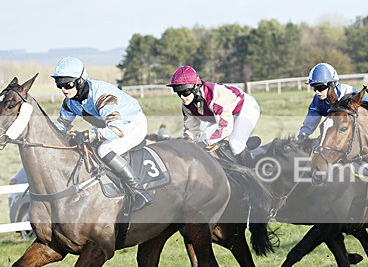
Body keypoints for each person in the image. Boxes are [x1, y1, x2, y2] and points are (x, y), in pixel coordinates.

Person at [51, 56, 153, 209]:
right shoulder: (70, 102)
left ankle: (139, 192)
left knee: (104, 149)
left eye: (67, 84)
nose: (64, 90)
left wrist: (88, 135)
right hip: (110, 126)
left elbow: (117, 130)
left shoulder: (102, 95)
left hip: (131, 124)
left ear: (80, 81)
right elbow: (59, 127)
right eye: (59, 85)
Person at [166, 66, 261, 165]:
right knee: (203, 141)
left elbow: (225, 127)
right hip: (223, 114)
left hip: (245, 108)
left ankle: (253, 172)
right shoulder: (187, 105)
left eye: (185, 91)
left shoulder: (214, 97)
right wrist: (189, 143)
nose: (182, 97)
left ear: (195, 87)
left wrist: (204, 143)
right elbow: (190, 129)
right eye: (178, 92)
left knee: (236, 144)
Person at [298, 63, 359, 140]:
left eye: (320, 87)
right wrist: (302, 136)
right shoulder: (317, 100)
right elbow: (310, 122)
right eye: (314, 88)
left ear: (332, 84)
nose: (317, 92)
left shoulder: (348, 92)